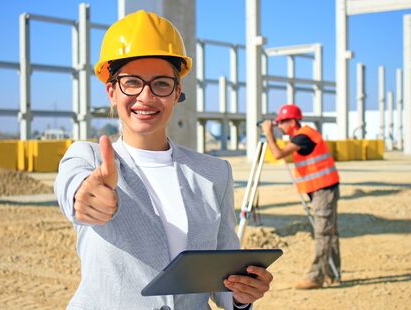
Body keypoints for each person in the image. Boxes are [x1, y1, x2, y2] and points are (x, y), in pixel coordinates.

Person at [55, 10, 273, 309]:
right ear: (112, 92)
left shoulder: (213, 174)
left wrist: (241, 294)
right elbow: (74, 190)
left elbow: (221, 283)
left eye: (161, 84)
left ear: (176, 92)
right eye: (131, 83)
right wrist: (84, 198)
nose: (146, 96)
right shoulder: (87, 158)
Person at [261, 104, 341, 290]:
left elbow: (278, 154)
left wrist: (268, 134)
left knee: (323, 234)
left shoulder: (304, 136)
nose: (279, 127)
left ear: (292, 121)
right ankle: (332, 273)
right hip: (322, 190)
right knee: (330, 233)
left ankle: (317, 276)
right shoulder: (303, 135)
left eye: (281, 123)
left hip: (324, 191)